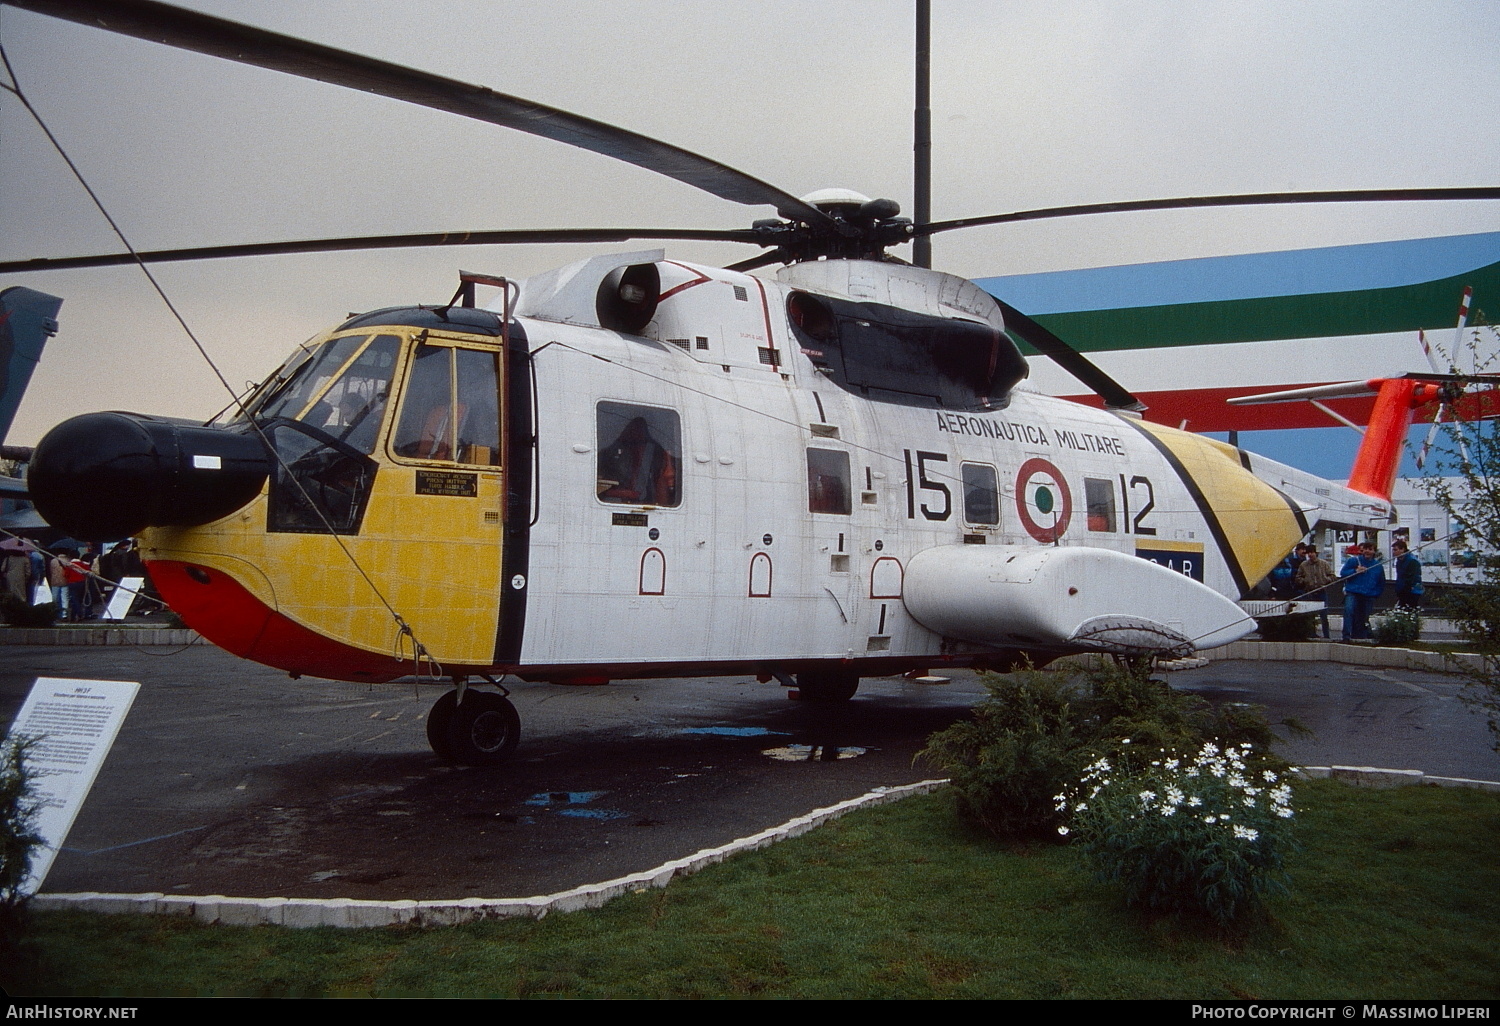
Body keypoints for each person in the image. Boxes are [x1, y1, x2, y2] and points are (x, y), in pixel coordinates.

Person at [1340, 540, 1385, 641]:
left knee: (1364, 616)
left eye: (1370, 549)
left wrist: (1376, 594)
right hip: (1353, 592)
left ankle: (1360, 636)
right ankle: (1346, 636)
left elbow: (1381, 581)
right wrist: (1355, 571)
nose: (1367, 551)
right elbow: (1343, 573)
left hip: (1368, 594)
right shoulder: (1354, 561)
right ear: (1362, 550)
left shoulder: (1378, 566)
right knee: (1349, 611)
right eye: (1365, 549)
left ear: (1374, 551)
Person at [1392, 540, 1424, 611]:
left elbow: (1412, 577)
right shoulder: (1399, 560)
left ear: (1402, 549)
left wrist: (1405, 589)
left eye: (1395, 550)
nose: (1393, 552)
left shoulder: (1412, 561)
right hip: (1402, 589)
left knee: (1410, 609)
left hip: (1412, 590)